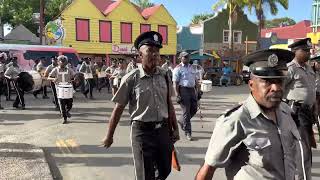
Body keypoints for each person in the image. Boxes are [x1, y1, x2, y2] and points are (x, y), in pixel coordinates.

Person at [195, 49, 309, 180]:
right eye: (267, 81)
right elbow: (208, 168)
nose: (276, 88)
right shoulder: (236, 119)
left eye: (279, 81)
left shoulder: (287, 112)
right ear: (251, 85)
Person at [102, 31, 180, 180]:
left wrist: (175, 128)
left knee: (165, 170)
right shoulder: (131, 78)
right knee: (145, 175)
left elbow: (169, 104)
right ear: (139, 54)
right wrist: (109, 136)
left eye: (157, 51)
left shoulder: (164, 75)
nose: (155, 55)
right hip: (142, 133)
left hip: (163, 131)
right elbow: (118, 108)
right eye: (150, 50)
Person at [284, 38, 316, 180]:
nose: (308, 53)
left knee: (298, 148)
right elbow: (279, 89)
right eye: (305, 51)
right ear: (295, 52)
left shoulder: (309, 68)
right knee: (304, 149)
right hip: (295, 111)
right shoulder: (290, 68)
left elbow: (311, 90)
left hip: (308, 111)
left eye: (309, 50)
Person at [172, 51, 199, 141]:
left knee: (194, 109)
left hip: (192, 90)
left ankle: (181, 121)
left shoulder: (192, 67)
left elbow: (195, 80)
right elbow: (175, 83)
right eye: (185, 57)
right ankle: (188, 132)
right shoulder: (178, 68)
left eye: (188, 57)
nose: (187, 58)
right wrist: (177, 95)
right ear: (181, 58)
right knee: (186, 112)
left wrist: (198, 91)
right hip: (183, 90)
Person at [48, 55, 75, 124]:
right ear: (58, 62)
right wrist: (53, 79)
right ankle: (64, 118)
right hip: (59, 88)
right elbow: (49, 77)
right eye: (61, 62)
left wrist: (75, 79)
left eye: (64, 62)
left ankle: (66, 111)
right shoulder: (55, 70)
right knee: (61, 103)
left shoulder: (69, 69)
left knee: (70, 104)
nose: (63, 63)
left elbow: (74, 76)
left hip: (68, 88)